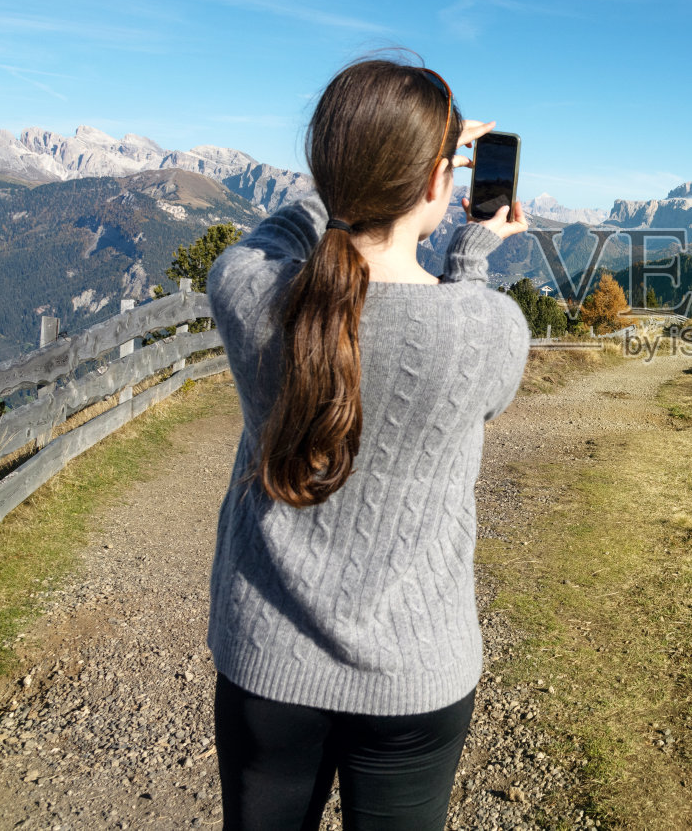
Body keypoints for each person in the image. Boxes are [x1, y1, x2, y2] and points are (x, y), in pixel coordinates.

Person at [205, 57, 530, 830]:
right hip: (415, 679)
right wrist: (470, 252)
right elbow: (452, 342)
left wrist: (367, 172)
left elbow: (284, 230)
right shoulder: (487, 333)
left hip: (265, 668)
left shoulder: (247, 290)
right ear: (435, 185)